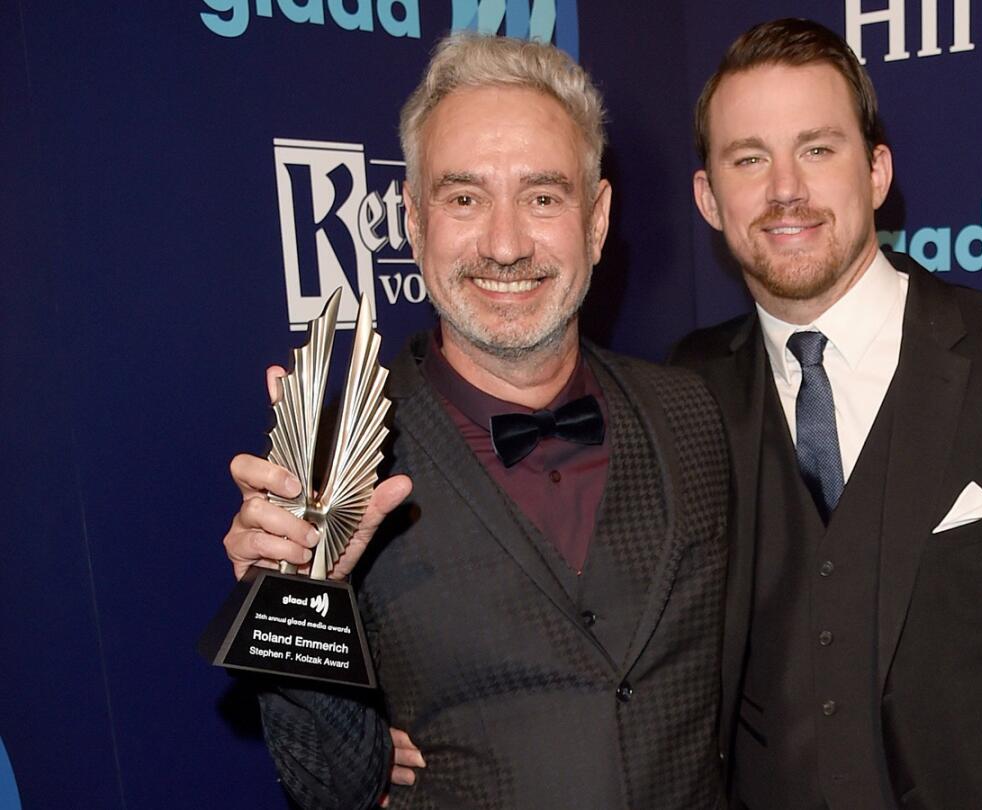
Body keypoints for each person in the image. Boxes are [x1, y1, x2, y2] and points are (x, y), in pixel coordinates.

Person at [222, 34, 728, 810]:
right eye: (464, 197)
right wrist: (296, 601)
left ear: (594, 221)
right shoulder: (330, 460)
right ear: (414, 222)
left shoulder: (691, 412)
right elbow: (335, 789)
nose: (504, 244)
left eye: (543, 196)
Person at [669, 18, 982, 810]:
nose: (784, 188)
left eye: (818, 148)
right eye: (749, 157)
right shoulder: (685, 386)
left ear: (876, 171)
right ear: (708, 197)